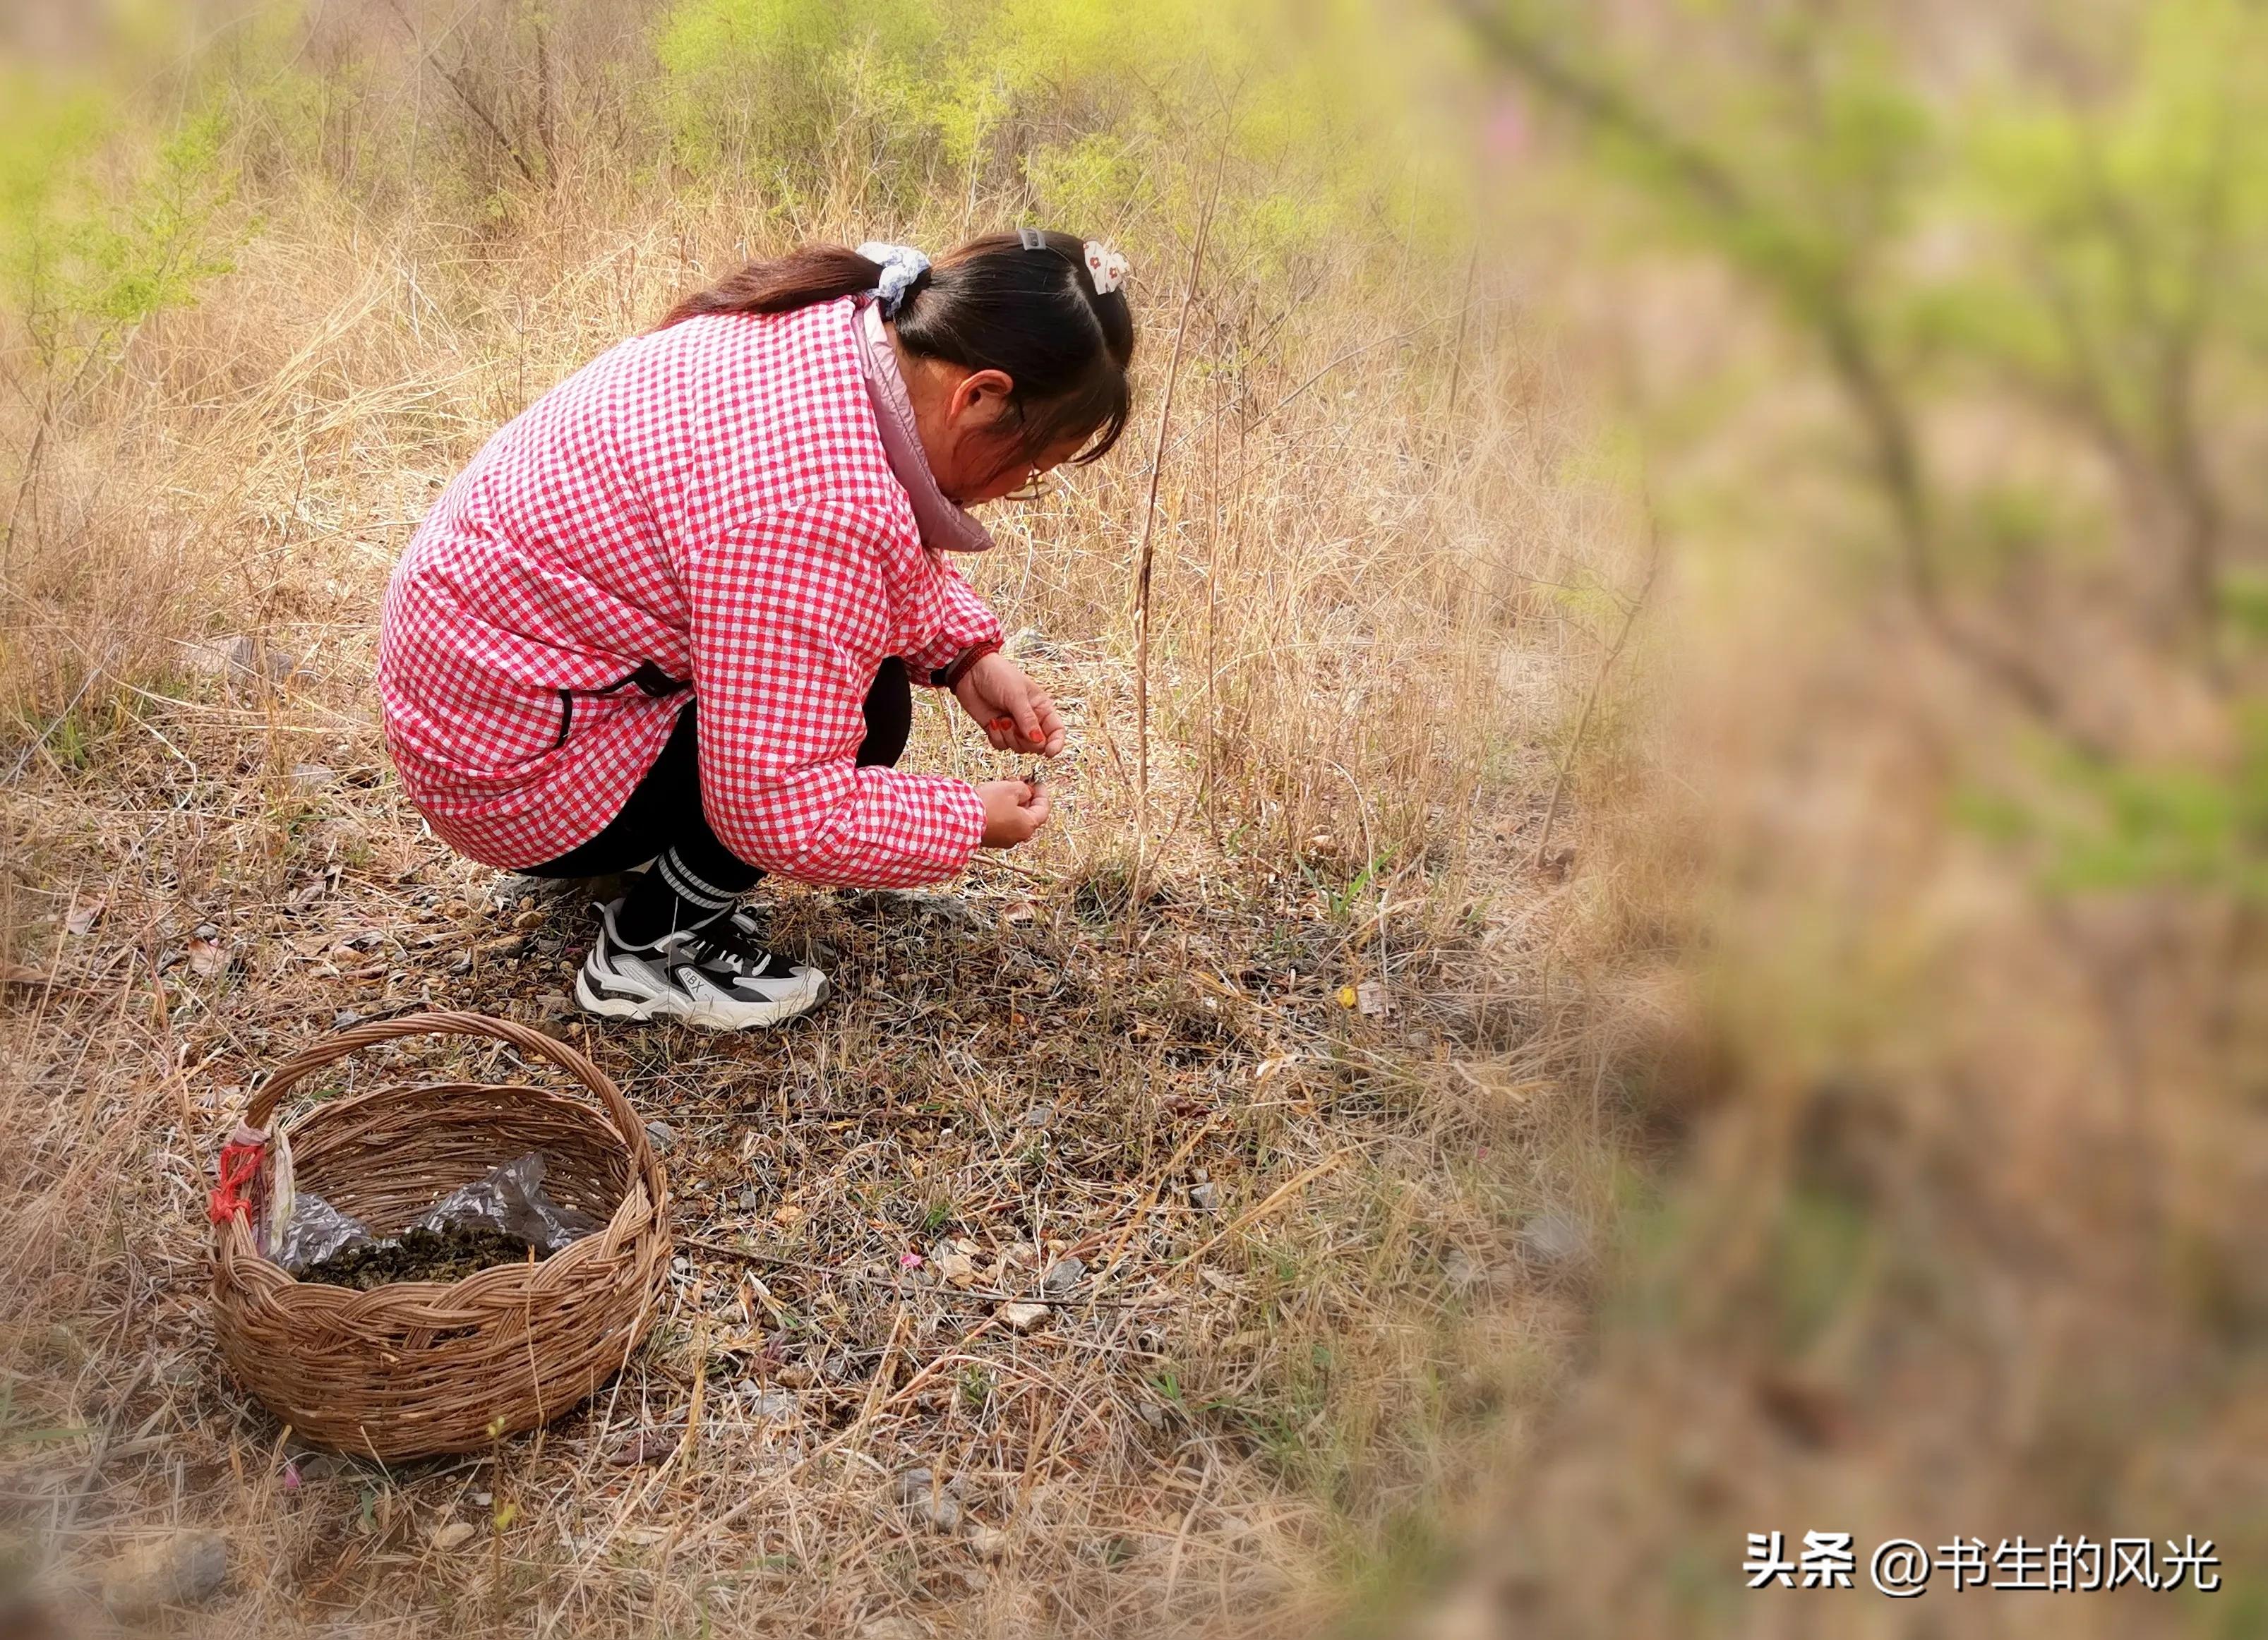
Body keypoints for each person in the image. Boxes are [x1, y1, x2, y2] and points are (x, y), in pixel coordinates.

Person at [376, 231, 1135, 1029]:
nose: (1024, 485)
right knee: (868, 714)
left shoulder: (843, 329)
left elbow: (860, 560)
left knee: (849, 679)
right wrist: (967, 819)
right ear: (978, 395)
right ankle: (646, 949)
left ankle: (630, 861)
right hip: (505, 771)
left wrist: (966, 655)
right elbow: (777, 804)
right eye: (1038, 464)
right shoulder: (813, 504)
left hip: (485, 693)